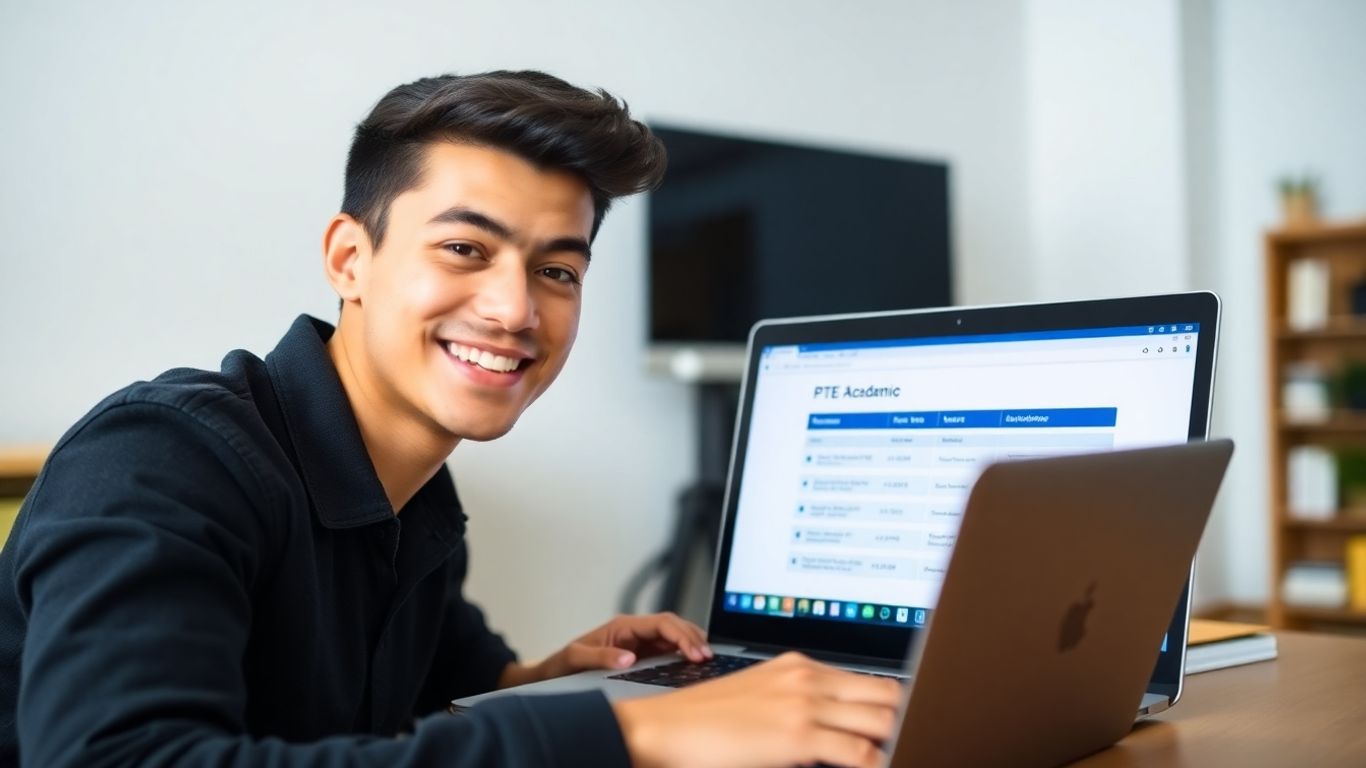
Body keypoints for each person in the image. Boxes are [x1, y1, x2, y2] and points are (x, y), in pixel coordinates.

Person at [0, 71, 900, 768]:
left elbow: (429, 690)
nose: (515, 311)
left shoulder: (414, 493)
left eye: (558, 270)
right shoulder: (161, 461)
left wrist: (541, 683)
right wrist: (638, 739)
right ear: (350, 258)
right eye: (465, 249)